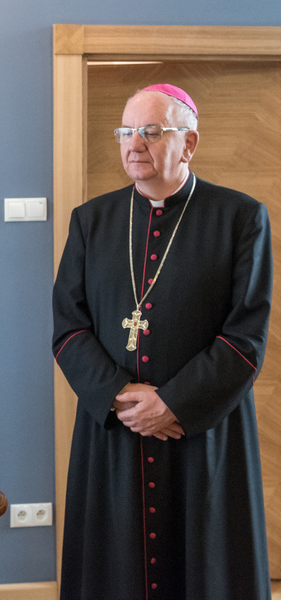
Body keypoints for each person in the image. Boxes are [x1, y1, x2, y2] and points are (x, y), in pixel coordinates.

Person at [52, 84, 272, 599]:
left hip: (201, 431)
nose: (134, 144)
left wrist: (172, 402)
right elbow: (68, 327)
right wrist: (120, 396)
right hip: (116, 429)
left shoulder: (239, 218)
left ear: (188, 142)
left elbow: (245, 338)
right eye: (126, 131)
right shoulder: (91, 221)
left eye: (150, 131)